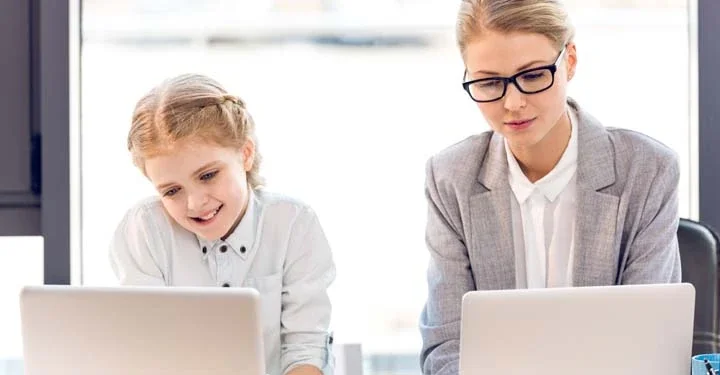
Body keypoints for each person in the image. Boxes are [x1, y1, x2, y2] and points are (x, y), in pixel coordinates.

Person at [419, 1, 681, 373]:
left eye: (533, 75)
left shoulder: (648, 170)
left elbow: (651, 345)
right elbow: (445, 347)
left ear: (569, 61)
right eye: (490, 82)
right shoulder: (450, 178)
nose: (513, 102)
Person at [109, 73, 335, 375]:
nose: (195, 203)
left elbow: (305, 347)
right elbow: (147, 348)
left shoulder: (294, 224)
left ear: (245, 154)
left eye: (207, 176)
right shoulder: (144, 230)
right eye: (171, 191)